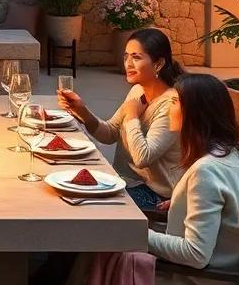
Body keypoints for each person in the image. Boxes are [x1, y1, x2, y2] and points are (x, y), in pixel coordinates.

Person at [33, 72, 239, 285]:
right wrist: (182, 203)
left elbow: (195, 254)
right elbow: (231, 204)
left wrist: (131, 233)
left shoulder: (207, 171)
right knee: (107, 237)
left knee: (103, 245)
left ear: (196, 113)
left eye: (176, 102)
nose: (169, 107)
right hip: (228, 279)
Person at [57, 27, 183, 212]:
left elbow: (143, 157)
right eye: (126, 56)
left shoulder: (171, 104)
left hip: (157, 194)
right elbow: (109, 133)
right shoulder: (138, 91)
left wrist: (132, 116)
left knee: (85, 204)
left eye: (136, 57)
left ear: (158, 64)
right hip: (128, 182)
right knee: (68, 186)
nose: (128, 63)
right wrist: (82, 111)